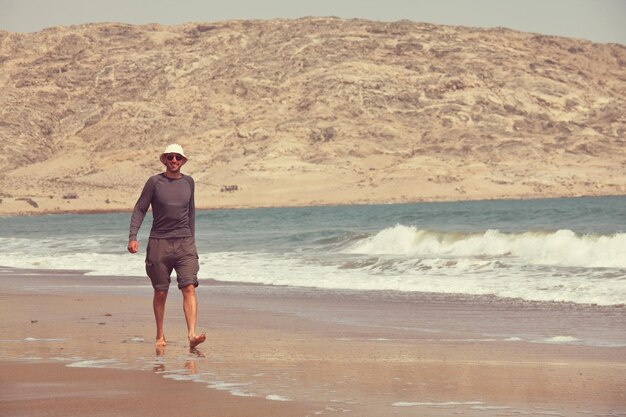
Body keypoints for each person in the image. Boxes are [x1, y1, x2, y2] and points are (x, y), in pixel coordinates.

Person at [127, 143, 206, 349]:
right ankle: (160, 335)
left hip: (185, 244)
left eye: (177, 158)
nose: (174, 161)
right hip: (159, 244)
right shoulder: (154, 182)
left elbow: (191, 213)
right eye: (170, 157)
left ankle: (191, 334)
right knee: (161, 291)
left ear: (183, 161)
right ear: (164, 160)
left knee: (189, 286)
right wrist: (133, 236)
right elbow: (140, 208)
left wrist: (192, 242)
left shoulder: (189, 182)